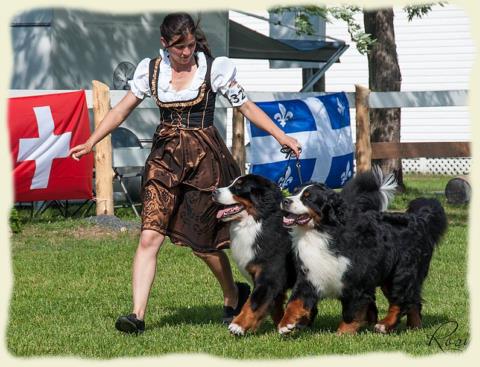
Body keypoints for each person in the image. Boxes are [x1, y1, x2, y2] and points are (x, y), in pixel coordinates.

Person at [69, 12, 301, 334]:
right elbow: (121, 109)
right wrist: (93, 141)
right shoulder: (150, 71)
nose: (186, 52)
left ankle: (233, 293)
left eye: (191, 45)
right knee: (150, 235)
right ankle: (137, 316)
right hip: (164, 161)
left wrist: (281, 135)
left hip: (205, 162)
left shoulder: (214, 70)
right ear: (165, 44)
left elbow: (245, 106)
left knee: (204, 244)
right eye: (179, 47)